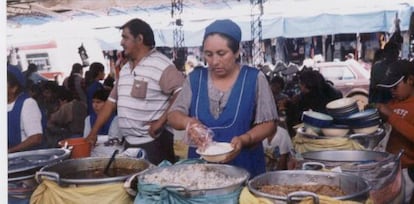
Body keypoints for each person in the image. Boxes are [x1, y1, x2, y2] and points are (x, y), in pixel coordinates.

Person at [167, 19, 277, 177]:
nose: (214, 61)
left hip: (244, 165)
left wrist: (245, 139)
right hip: (202, 170)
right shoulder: (195, 79)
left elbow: (269, 124)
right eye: (208, 54)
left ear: (237, 52)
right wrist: (188, 123)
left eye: (221, 53)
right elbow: (173, 115)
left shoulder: (254, 78)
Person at [86, 18, 185, 165]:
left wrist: (161, 121)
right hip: (129, 144)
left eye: (125, 37)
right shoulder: (126, 68)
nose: (121, 42)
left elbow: (182, 92)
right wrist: (93, 133)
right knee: (133, 184)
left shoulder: (160, 64)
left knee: (155, 185)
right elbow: (111, 103)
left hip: (154, 144)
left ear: (139, 39)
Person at [376, 59, 414, 203]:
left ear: (410, 80)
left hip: (407, 172)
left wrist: (391, 116)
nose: (391, 91)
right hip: (390, 168)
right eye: (389, 88)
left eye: (395, 87)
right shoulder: (395, 102)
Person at [8, 65, 43, 153]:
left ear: (14, 88)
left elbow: (36, 138)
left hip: (25, 159)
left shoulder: (27, 104)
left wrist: (9, 151)